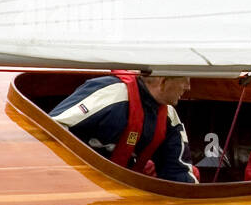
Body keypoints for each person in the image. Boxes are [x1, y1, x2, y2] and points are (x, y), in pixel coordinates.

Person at [50, 72, 198, 183]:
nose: (188, 86)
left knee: (194, 174)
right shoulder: (110, 94)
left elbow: (179, 171)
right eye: (185, 78)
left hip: (123, 188)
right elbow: (50, 130)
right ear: (163, 81)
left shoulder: (169, 117)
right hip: (78, 179)